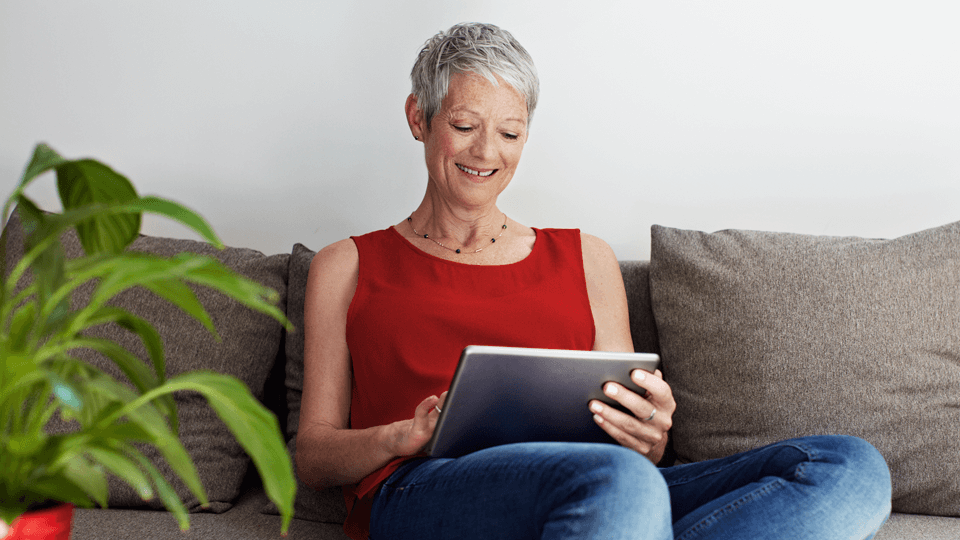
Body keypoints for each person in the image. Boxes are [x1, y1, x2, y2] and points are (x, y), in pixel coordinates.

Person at [295, 22, 892, 540]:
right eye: (465, 125)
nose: (487, 152)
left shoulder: (585, 256)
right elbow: (312, 456)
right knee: (620, 482)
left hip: (605, 486)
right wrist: (403, 436)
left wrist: (651, 433)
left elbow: (638, 449)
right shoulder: (346, 264)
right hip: (423, 491)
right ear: (418, 119)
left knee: (849, 467)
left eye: (510, 132)